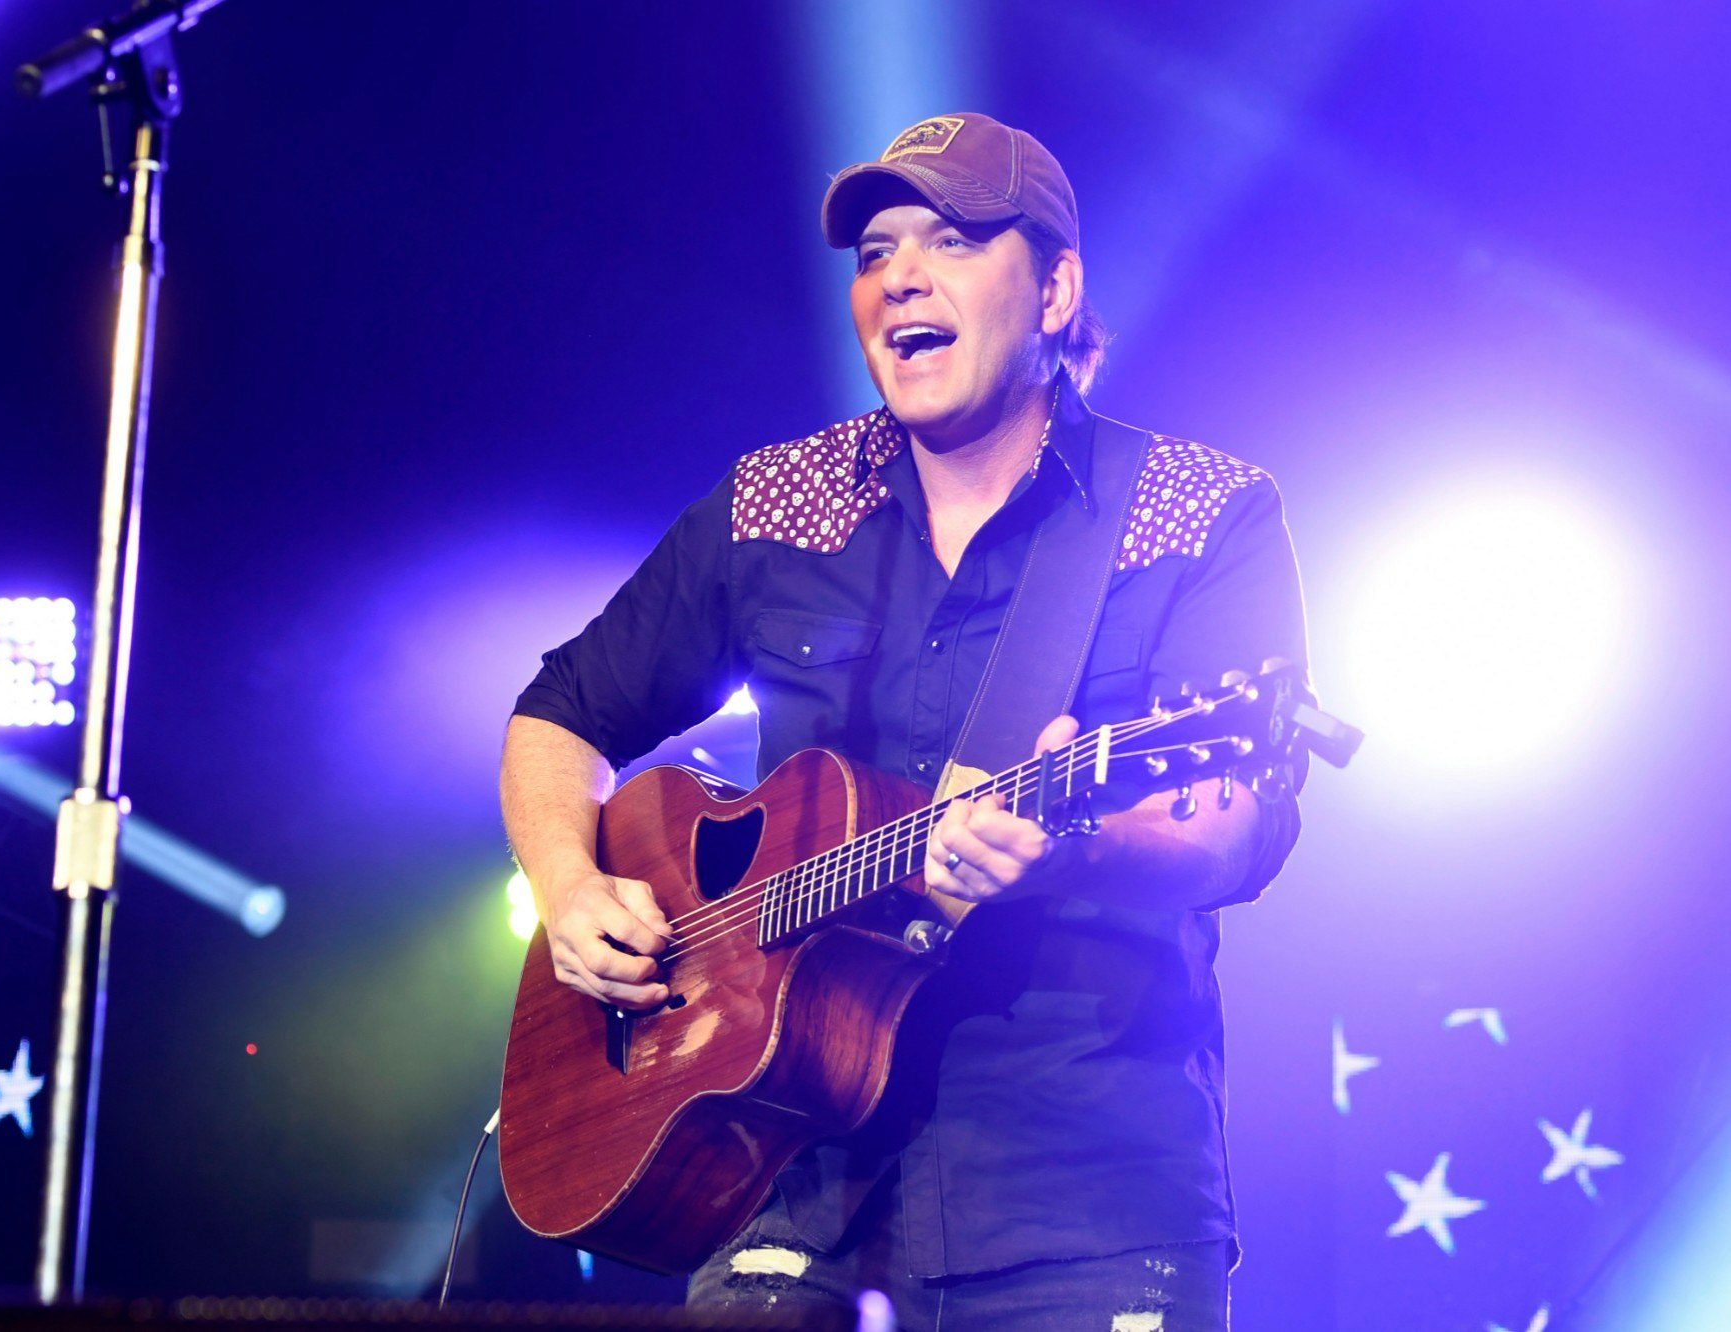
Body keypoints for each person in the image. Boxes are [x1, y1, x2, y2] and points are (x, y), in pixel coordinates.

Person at [501, 112, 1310, 1331]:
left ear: (1056, 288)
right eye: (876, 251)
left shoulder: (1198, 511)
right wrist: (570, 885)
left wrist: (1079, 845)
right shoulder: (778, 502)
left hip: (1083, 1202)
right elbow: (557, 716)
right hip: (784, 1186)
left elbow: (1240, 824)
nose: (901, 278)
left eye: (953, 238)